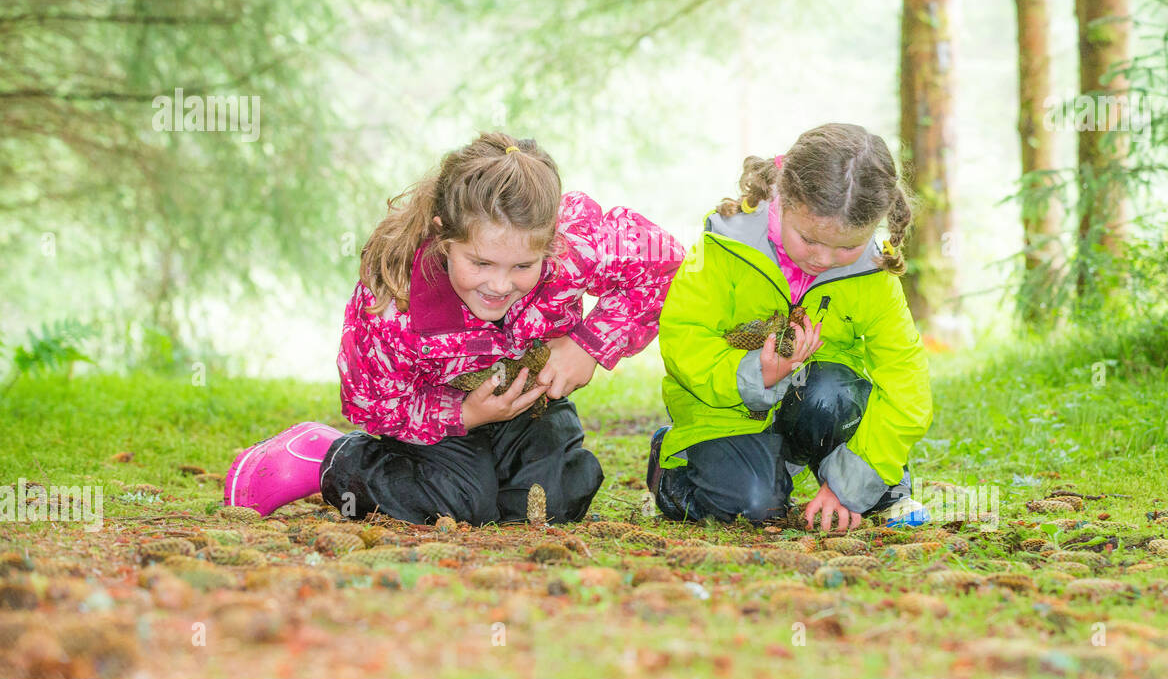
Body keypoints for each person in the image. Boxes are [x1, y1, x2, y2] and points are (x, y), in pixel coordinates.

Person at [225, 132, 685, 524]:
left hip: (527, 401)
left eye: (523, 265)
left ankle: (497, 480)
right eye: (480, 262)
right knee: (457, 502)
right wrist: (463, 415)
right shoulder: (395, 302)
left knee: (552, 500)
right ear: (445, 236)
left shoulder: (575, 243)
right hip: (437, 417)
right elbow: (374, 401)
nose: (501, 284)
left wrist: (587, 344)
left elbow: (664, 266)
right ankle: (327, 458)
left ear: (550, 242)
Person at [650, 122, 933, 530]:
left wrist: (849, 485)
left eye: (847, 247)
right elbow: (683, 334)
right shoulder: (725, 246)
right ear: (783, 197)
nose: (822, 258)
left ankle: (871, 488)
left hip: (818, 404)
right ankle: (676, 471)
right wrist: (754, 374)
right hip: (727, 407)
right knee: (751, 507)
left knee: (833, 391)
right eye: (809, 239)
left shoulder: (873, 274)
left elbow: (907, 381)